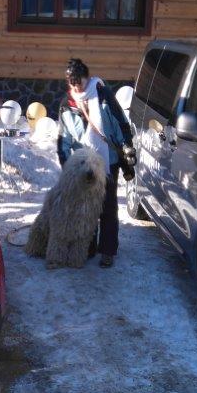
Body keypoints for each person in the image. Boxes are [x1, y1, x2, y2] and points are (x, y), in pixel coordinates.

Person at [56, 58, 133, 268]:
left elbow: (121, 123)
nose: (76, 87)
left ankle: (107, 250)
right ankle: (88, 246)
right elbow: (64, 140)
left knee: (108, 207)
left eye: (79, 82)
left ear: (86, 78)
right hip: (83, 166)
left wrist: (127, 145)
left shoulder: (103, 95)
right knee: (86, 207)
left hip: (108, 162)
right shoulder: (67, 105)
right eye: (72, 84)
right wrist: (67, 167)